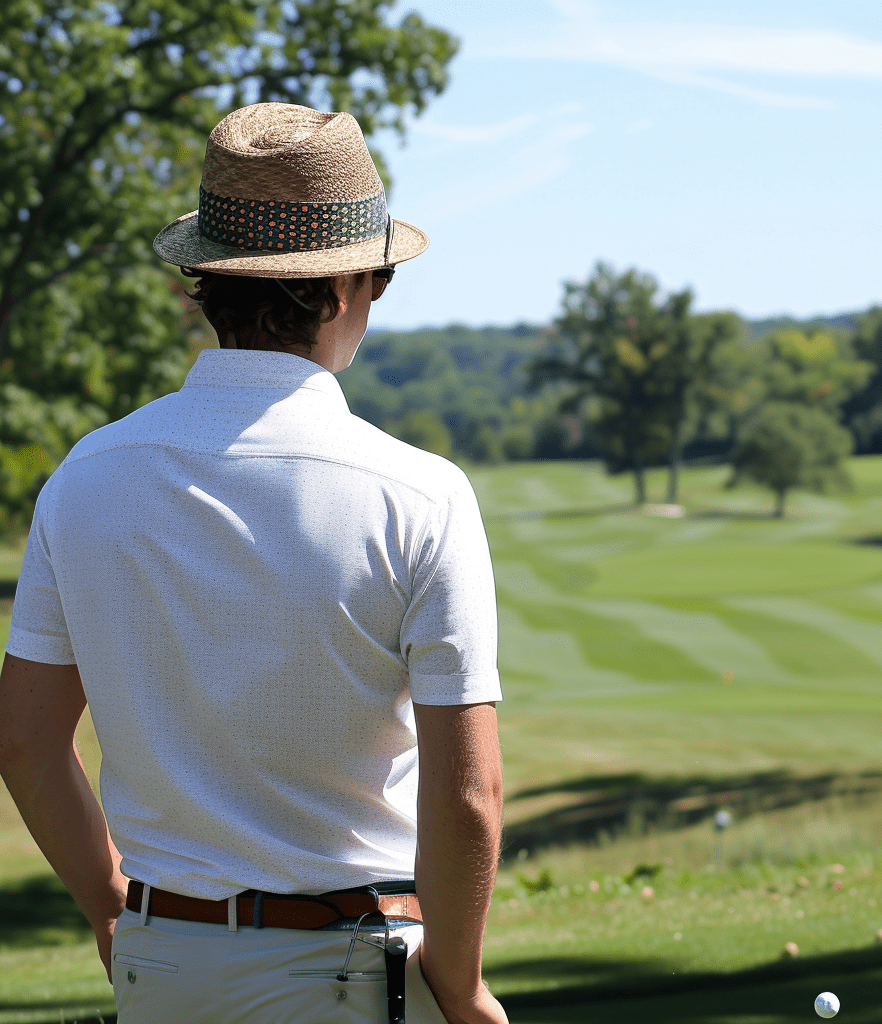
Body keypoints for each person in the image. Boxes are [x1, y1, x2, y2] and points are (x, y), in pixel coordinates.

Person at [0, 102, 506, 1024]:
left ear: (207, 281)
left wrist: (116, 914)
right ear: (349, 282)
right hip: (354, 973)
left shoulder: (86, 475)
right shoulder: (421, 494)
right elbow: (467, 796)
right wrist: (464, 987)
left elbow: (27, 741)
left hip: (162, 966)